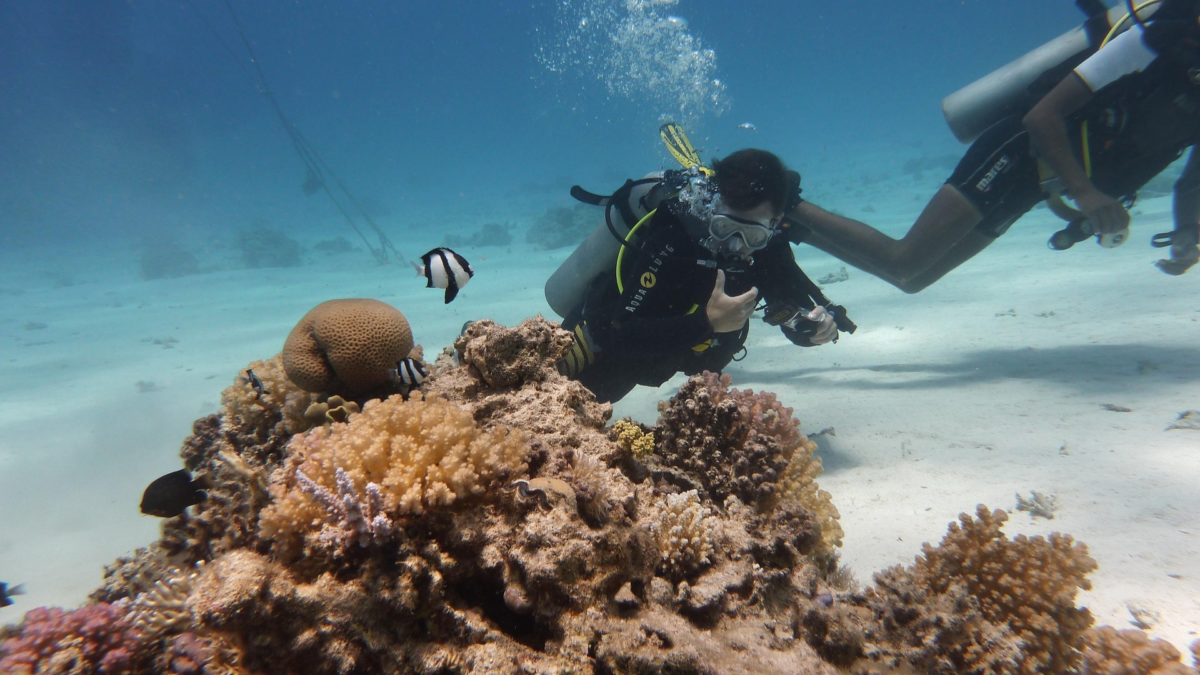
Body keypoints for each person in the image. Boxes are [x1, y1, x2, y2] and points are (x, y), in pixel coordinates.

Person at [788, 0, 1200, 293]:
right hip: (1019, 149)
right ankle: (779, 197)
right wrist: (1087, 193)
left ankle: (788, 224)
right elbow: (1042, 116)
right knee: (904, 260)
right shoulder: (1155, 43)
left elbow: (1191, 183)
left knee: (911, 281)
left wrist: (1186, 235)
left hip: (1042, 182)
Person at [551, 148, 854, 404]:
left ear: (774, 223)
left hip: (679, 357)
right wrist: (706, 323)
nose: (736, 246)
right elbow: (615, 332)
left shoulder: (768, 250)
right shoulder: (675, 237)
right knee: (571, 399)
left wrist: (813, 330)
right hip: (602, 347)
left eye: (752, 234)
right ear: (713, 209)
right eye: (724, 228)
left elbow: (791, 313)